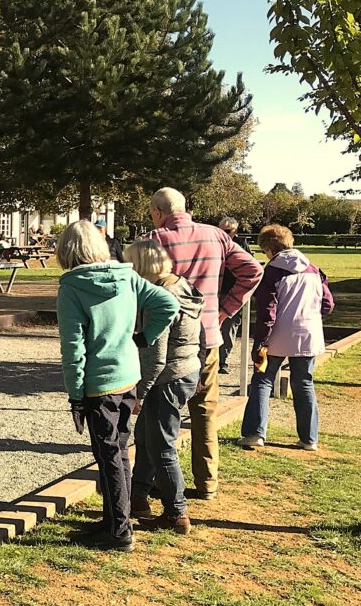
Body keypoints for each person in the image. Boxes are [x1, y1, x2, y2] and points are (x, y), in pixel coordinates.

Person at [56, 220, 179, 552]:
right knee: (118, 451)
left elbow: (73, 349)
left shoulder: (72, 288)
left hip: (99, 385)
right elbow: (168, 304)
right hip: (127, 378)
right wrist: (143, 337)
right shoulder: (127, 276)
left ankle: (120, 531)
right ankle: (114, 520)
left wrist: (75, 397)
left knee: (108, 454)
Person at [143, 187, 262, 501]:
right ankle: (207, 481)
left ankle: (158, 481)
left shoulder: (154, 239)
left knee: (161, 413)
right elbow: (253, 270)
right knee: (205, 411)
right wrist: (225, 310)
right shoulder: (216, 235)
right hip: (208, 334)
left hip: (170, 340)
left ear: (157, 211)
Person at [125, 239, 204, 534]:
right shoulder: (184, 287)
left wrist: (139, 394)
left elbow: (155, 357)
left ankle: (176, 513)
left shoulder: (158, 298)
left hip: (166, 378)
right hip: (187, 370)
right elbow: (202, 334)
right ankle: (137, 496)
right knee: (145, 437)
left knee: (161, 446)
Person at [239, 225, 335, 452]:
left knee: (262, 381)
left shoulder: (272, 272)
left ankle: (254, 433)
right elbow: (328, 305)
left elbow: (267, 312)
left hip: (277, 335)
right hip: (308, 334)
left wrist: (260, 342)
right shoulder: (313, 269)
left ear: (270, 249)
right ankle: (309, 439)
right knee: (304, 383)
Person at [217, 217, 252, 374]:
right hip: (215, 290)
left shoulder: (241, 245)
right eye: (221, 230)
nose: (224, 234)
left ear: (235, 231)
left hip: (232, 292)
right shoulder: (215, 243)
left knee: (229, 327)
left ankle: (223, 360)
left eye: (228, 231)